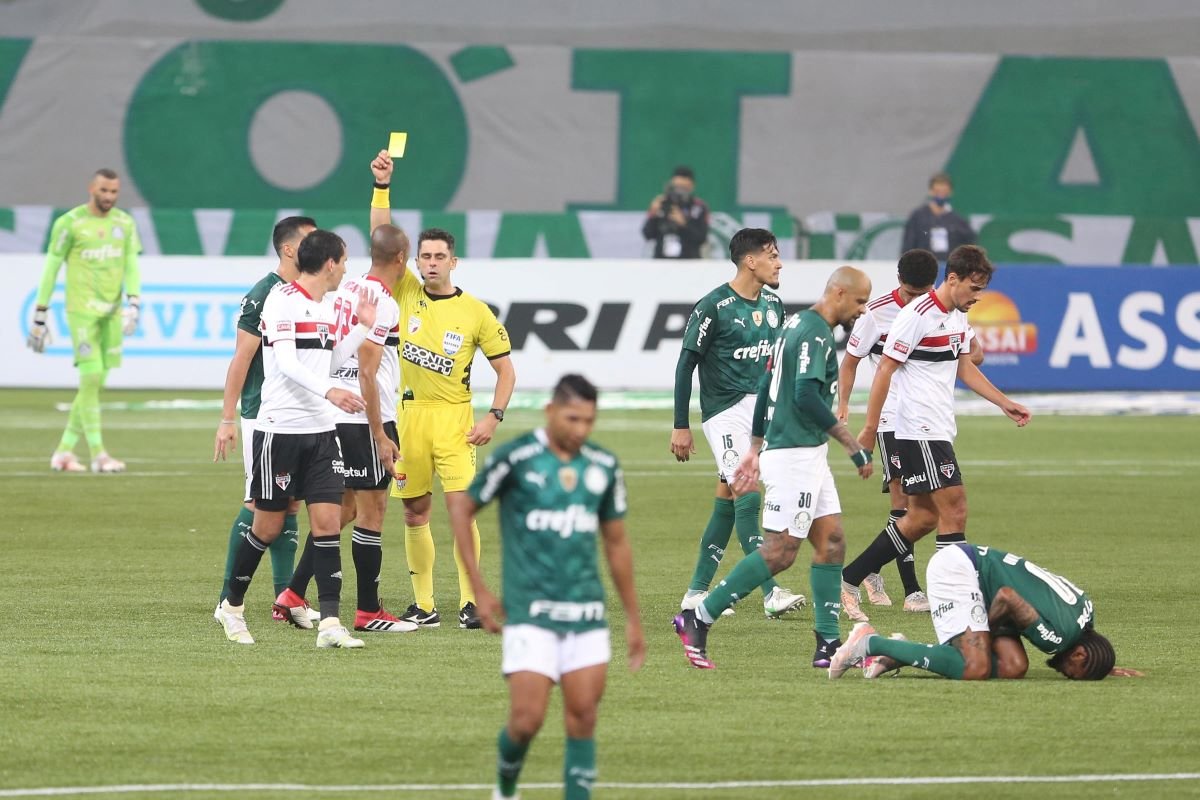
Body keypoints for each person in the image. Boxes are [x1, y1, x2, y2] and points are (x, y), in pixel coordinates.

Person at [449, 374, 644, 800]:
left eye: (589, 421)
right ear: (550, 411)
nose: (581, 430)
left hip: (587, 615)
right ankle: (505, 787)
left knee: (583, 719)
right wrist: (478, 589)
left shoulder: (603, 466)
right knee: (526, 721)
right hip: (530, 615)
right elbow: (463, 509)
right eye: (572, 418)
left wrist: (632, 618)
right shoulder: (517, 458)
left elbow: (616, 543)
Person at [673, 266, 875, 670]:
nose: (863, 310)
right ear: (837, 293)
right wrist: (850, 443)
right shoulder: (813, 331)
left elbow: (767, 382)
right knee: (781, 551)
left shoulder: (795, 321)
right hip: (794, 455)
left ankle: (828, 643)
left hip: (807, 453)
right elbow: (802, 395)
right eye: (859, 301)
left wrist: (753, 446)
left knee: (832, 540)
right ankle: (699, 617)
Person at [839, 246, 1031, 614]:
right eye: (974, 289)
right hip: (918, 427)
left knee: (923, 517)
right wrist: (868, 427)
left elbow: (965, 368)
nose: (978, 297)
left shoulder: (957, 315)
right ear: (953, 278)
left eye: (982, 290)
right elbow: (884, 370)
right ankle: (954, 598)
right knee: (954, 509)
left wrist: (1003, 402)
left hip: (939, 426)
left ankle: (849, 577)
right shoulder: (916, 315)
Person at [369, 151, 517, 630]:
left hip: (456, 420)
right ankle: (424, 605)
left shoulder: (475, 312)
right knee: (414, 511)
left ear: (454, 262)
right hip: (409, 418)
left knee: (460, 511)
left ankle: (471, 603)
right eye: (424, 257)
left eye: (439, 257)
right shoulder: (406, 292)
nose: (431, 263)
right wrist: (383, 187)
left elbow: (506, 370)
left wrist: (493, 416)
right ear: (413, 262)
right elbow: (380, 238)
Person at [215, 229, 376, 648]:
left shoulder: (326, 307)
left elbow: (331, 357)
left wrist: (361, 328)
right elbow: (284, 363)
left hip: (322, 432)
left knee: (326, 524)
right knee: (267, 526)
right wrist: (331, 391)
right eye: (343, 261)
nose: (345, 269)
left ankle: (331, 626)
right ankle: (231, 607)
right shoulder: (281, 300)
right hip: (279, 431)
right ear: (328, 263)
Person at [276, 220, 418, 634]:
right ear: (402, 259)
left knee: (344, 510)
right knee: (373, 513)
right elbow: (368, 373)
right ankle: (369, 611)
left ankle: (294, 592)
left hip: (333, 414)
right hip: (364, 418)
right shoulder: (385, 303)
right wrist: (380, 434)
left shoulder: (347, 289)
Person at [670, 228, 806, 620]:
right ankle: (770, 591)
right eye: (773, 255)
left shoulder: (775, 306)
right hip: (724, 413)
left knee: (727, 500)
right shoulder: (713, 306)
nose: (780, 262)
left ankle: (696, 593)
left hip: (760, 413)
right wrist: (682, 424)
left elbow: (778, 364)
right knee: (747, 493)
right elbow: (685, 365)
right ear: (751, 260)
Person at [211, 216, 318, 624]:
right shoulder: (264, 294)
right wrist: (228, 418)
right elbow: (241, 359)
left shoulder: (304, 292)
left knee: (288, 503)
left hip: (297, 415)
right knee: (259, 503)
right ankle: (227, 599)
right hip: (263, 414)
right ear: (290, 249)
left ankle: (285, 599)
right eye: (310, 240)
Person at [829, 543, 1119, 681]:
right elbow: (1007, 597)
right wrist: (982, 631)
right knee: (976, 666)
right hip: (960, 571)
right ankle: (869, 641)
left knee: (1013, 667)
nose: (1068, 675)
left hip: (985, 579)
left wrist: (1103, 666)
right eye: (1076, 673)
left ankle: (904, 651)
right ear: (1081, 653)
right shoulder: (1057, 638)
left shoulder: (1085, 614)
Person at [835, 249, 941, 619]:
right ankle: (912, 591)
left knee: (921, 507)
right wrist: (844, 406)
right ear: (899, 285)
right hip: (892, 418)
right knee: (906, 505)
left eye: (923, 293)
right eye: (910, 295)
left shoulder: (941, 310)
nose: (917, 302)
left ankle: (871, 569)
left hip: (928, 418)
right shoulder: (876, 313)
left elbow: (971, 355)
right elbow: (849, 362)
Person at [27, 168, 142, 473]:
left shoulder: (124, 223)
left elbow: (131, 262)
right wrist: (40, 312)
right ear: (92, 188)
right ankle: (99, 454)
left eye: (114, 192)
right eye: (104, 191)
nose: (109, 197)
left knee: (96, 383)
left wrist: (134, 299)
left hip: (112, 312)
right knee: (90, 379)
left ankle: (64, 451)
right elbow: (52, 266)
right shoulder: (70, 223)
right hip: (81, 312)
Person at [900, 172, 976, 262]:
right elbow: (908, 247)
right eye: (938, 192)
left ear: (950, 192)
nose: (941, 196)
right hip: (923, 268)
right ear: (931, 191)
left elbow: (970, 246)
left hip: (950, 269)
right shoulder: (918, 217)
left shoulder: (958, 221)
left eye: (944, 192)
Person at [642, 165, 710, 259]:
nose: (679, 192)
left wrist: (684, 223)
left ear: (691, 186)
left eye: (683, 188)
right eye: (676, 187)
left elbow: (702, 238)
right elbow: (647, 234)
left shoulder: (699, 207)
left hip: (689, 262)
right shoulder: (663, 204)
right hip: (661, 262)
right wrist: (653, 214)